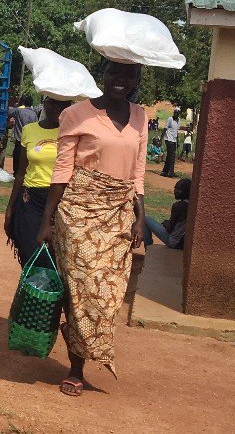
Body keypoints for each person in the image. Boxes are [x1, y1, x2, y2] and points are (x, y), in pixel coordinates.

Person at [36, 58, 148, 396]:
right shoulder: (76, 115)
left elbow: (138, 172)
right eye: (114, 71)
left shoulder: (141, 116)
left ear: (135, 79)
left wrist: (140, 218)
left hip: (118, 215)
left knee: (108, 295)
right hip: (78, 214)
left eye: (128, 74)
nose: (120, 79)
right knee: (82, 291)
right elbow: (62, 171)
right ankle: (76, 368)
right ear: (103, 74)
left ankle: (86, 351)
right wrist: (46, 221)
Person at [5, 96, 71, 268]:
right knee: (31, 251)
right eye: (52, 102)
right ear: (44, 103)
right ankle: (32, 294)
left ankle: (54, 294)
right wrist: (10, 208)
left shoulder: (71, 133)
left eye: (63, 104)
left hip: (61, 201)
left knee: (56, 256)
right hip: (30, 200)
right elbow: (20, 173)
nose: (57, 107)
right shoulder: (29, 130)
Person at [145, 178, 191, 249]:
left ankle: (148, 247)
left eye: (179, 189)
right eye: (175, 188)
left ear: (186, 192)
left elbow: (169, 229)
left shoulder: (178, 206)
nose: (175, 191)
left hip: (174, 242)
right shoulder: (192, 205)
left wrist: (167, 224)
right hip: (183, 243)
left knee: (145, 219)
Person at [8, 95, 41, 173]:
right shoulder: (34, 114)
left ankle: (16, 172)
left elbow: (9, 112)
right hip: (29, 140)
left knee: (17, 156)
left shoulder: (19, 111)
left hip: (19, 139)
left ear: (23, 103)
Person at [161, 109, 181, 177]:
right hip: (168, 139)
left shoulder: (179, 120)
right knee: (172, 156)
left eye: (177, 113)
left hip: (174, 140)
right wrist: (160, 140)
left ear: (179, 114)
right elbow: (165, 129)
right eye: (174, 112)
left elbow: (176, 132)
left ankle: (164, 172)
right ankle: (171, 172)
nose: (175, 114)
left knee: (169, 156)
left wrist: (178, 141)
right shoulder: (170, 119)